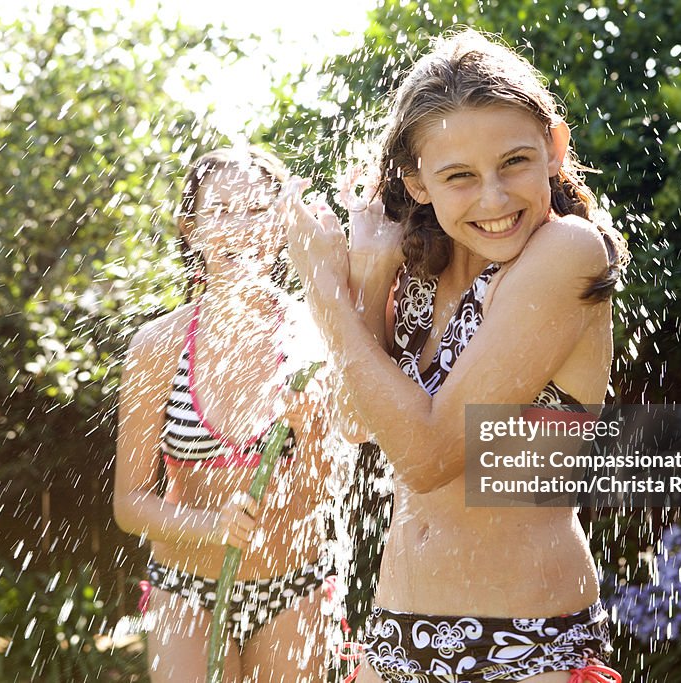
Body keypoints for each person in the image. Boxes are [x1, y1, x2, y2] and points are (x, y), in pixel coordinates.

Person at [283, 28, 629, 683]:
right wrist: (374, 271)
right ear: (416, 181)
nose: (495, 199)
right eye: (460, 177)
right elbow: (357, 422)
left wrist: (325, 291)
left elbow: (429, 454)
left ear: (554, 147)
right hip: (396, 635)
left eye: (515, 163)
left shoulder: (566, 252)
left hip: (523, 645)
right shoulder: (420, 267)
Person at [114, 146, 333, 682]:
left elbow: (328, 495)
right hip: (187, 588)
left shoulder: (316, 336)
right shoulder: (158, 346)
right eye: (221, 212)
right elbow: (129, 505)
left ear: (282, 222)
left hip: (293, 586)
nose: (240, 229)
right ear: (190, 228)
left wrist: (312, 434)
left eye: (258, 211)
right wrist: (213, 527)